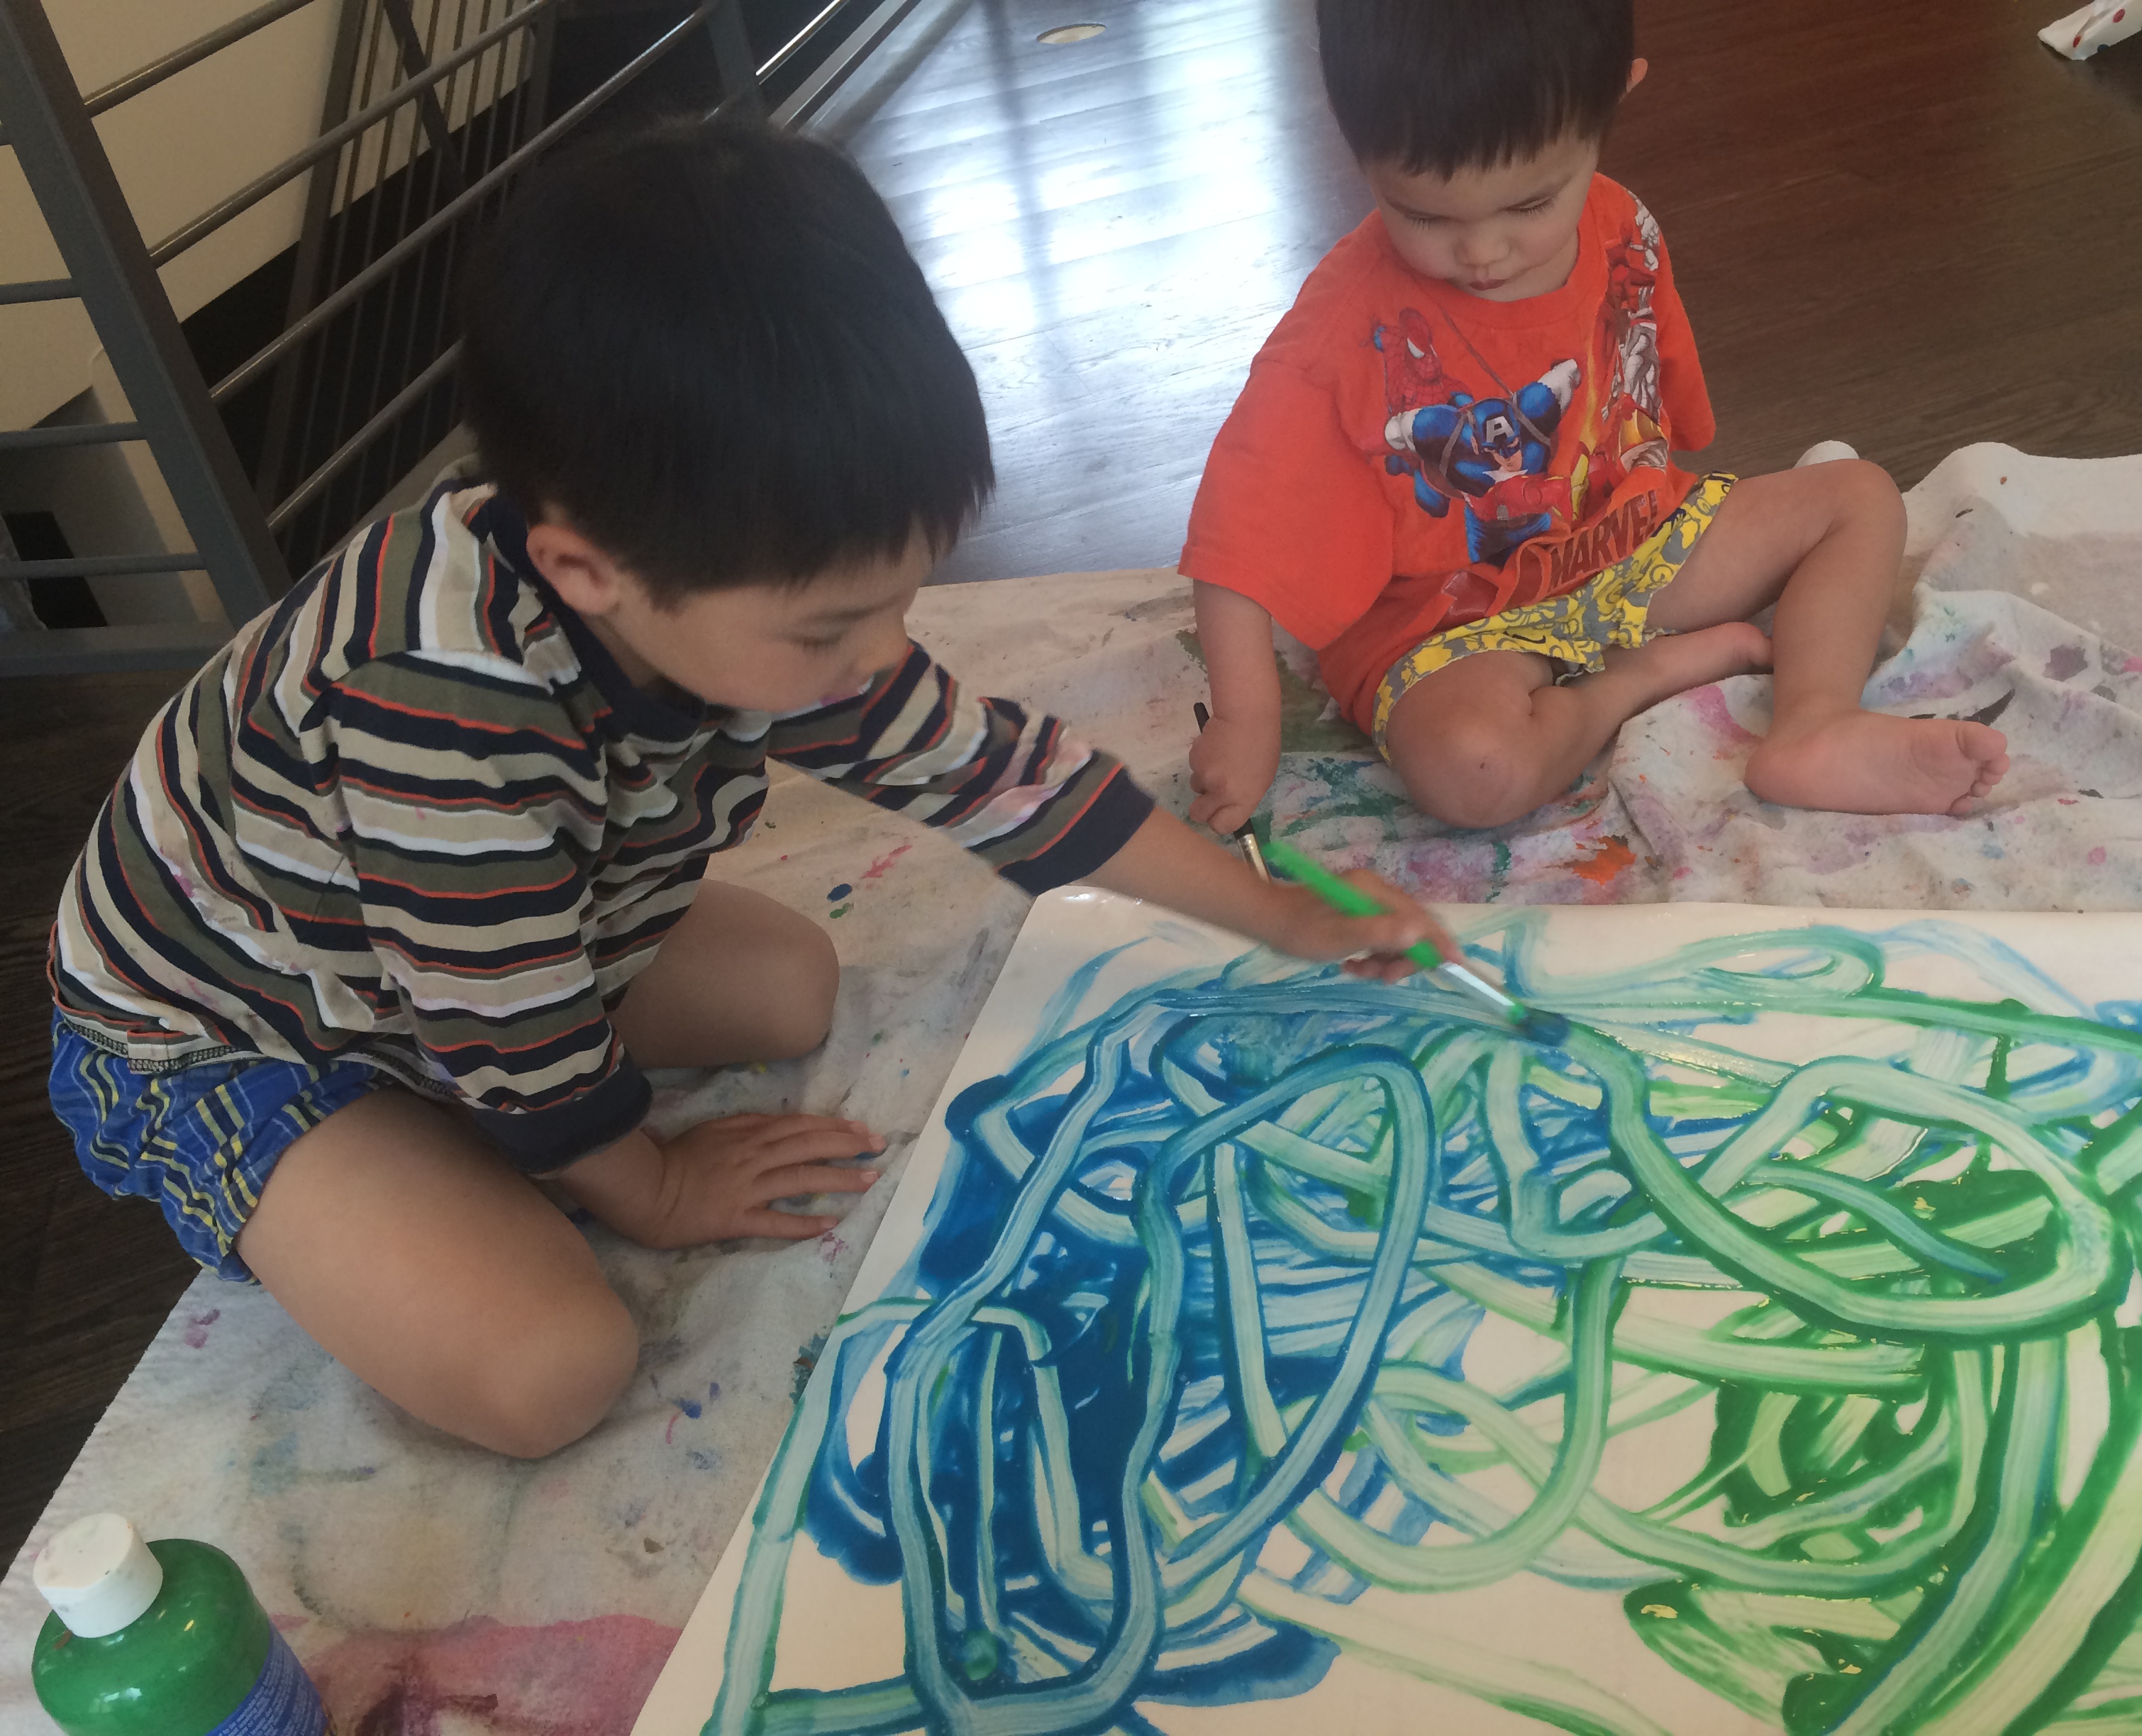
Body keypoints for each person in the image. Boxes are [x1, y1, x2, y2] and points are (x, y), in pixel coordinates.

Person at [45, 120, 1452, 1460]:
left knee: (788, 988)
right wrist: (648, 1183)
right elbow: (508, 1026)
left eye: (898, 601)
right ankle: (386, 1144)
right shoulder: (437, 712)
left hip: (456, 946)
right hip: (243, 1025)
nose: (882, 658)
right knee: (550, 1367)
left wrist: (1280, 918)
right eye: (829, 628)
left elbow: (1001, 779)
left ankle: (456, 1131)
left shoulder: (718, 570)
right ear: (588, 570)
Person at [1180, 0, 2009, 835]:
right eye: (1423, 214)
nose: (1482, 252)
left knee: (1860, 496)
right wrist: (1247, 721)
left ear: (1615, 99)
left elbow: (1652, 400)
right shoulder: (1336, 337)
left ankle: (1814, 724)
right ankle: (1638, 678)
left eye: (1530, 205)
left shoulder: (1623, 227)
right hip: (1456, 626)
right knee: (1475, 771)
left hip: (1630, 547)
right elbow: (1236, 540)